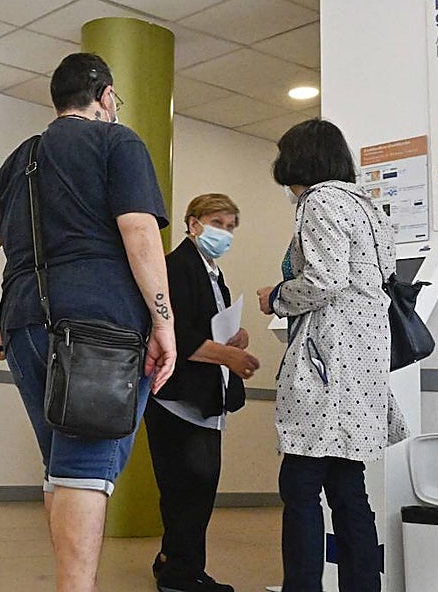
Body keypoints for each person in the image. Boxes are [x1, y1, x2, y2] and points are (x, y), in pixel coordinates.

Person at [0, 52, 177, 592]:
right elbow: (140, 232)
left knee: (63, 467)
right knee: (85, 467)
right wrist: (164, 323)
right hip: (97, 327)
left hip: (24, 327)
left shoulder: (24, 156)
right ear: (106, 96)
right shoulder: (118, 141)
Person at [256, 119, 407, 592]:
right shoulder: (369, 209)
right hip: (363, 363)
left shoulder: (319, 201)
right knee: (346, 488)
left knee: (299, 489)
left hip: (330, 361)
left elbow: (325, 281)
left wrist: (277, 296)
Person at [147, 194, 260, 592]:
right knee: (189, 491)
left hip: (201, 399)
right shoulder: (178, 267)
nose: (224, 233)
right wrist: (227, 355)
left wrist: (234, 339)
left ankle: (170, 560)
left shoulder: (213, 274)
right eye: (217, 222)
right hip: (178, 400)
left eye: (230, 226)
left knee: (194, 489)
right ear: (193, 223)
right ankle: (182, 576)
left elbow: (206, 328)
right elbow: (175, 333)